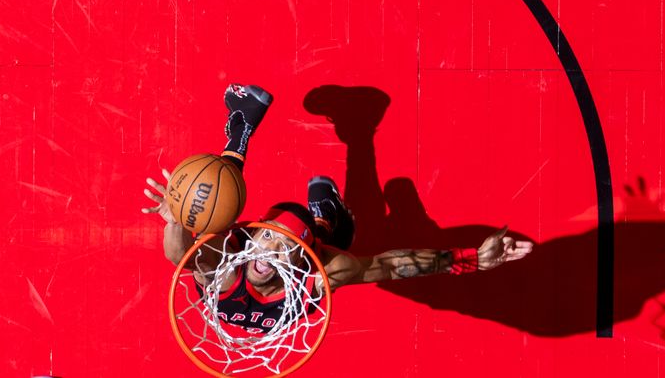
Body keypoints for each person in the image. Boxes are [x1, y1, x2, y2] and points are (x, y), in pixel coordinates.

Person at [142, 84, 534, 333]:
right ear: (254, 234)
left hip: (318, 254)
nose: (272, 252)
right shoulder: (227, 270)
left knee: (341, 241)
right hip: (287, 255)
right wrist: (178, 217)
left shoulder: (323, 273)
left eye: (288, 246)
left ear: (305, 258)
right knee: (215, 209)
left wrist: (470, 260)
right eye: (269, 237)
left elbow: (391, 266)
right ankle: (250, 138)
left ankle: (323, 222)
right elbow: (181, 256)